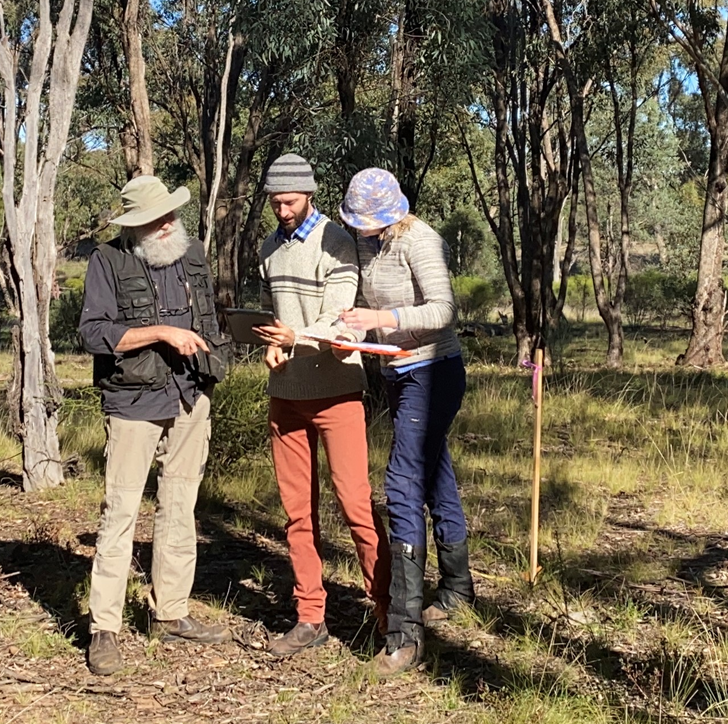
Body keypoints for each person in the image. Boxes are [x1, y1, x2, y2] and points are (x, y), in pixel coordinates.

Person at [77, 175, 232, 677]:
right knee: (120, 512)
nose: (167, 224)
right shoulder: (108, 260)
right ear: (134, 226)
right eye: (155, 219)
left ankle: (171, 613)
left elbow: (210, 317)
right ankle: (105, 628)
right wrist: (161, 332)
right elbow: (94, 333)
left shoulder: (192, 253)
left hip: (191, 395)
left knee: (180, 506)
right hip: (133, 401)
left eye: (169, 214)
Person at [253, 154, 390, 658]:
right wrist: (273, 343)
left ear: (309, 194)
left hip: (336, 392)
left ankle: (385, 611)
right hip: (285, 395)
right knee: (296, 513)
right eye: (274, 202)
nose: (282, 210)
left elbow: (339, 320)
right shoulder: (270, 248)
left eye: (289, 201)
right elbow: (277, 316)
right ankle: (310, 614)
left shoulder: (336, 242)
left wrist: (298, 335)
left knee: (355, 504)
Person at [337, 167, 468, 676]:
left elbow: (442, 310)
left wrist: (381, 321)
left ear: (390, 216)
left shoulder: (421, 240)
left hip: (435, 372)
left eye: (365, 222)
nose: (359, 230)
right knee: (435, 474)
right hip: (397, 371)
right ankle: (457, 588)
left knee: (402, 483)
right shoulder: (367, 246)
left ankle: (404, 636)